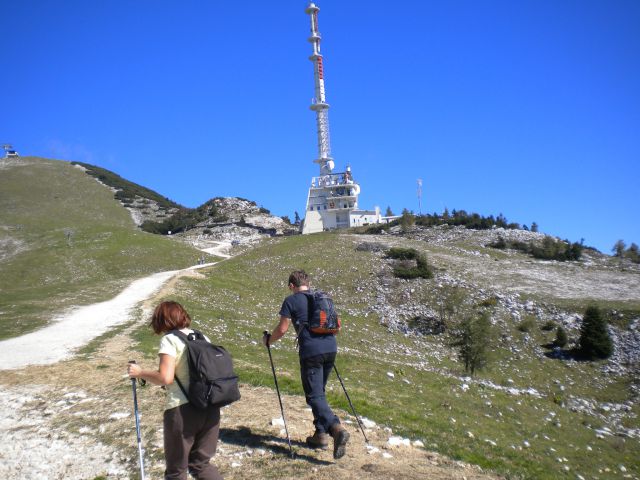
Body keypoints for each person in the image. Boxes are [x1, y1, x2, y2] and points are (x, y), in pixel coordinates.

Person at [127, 301, 223, 480]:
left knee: (176, 470)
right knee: (201, 465)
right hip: (210, 408)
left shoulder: (170, 340)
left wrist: (139, 373)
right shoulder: (203, 337)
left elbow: (165, 378)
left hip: (182, 410)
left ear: (162, 320)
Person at [263, 270, 349, 459]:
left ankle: (336, 429)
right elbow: (338, 326)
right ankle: (320, 435)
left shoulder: (291, 301)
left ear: (291, 286)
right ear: (307, 283)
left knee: (314, 395)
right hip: (330, 347)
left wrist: (269, 340)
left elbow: (283, 329)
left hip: (311, 351)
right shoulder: (321, 297)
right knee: (320, 392)